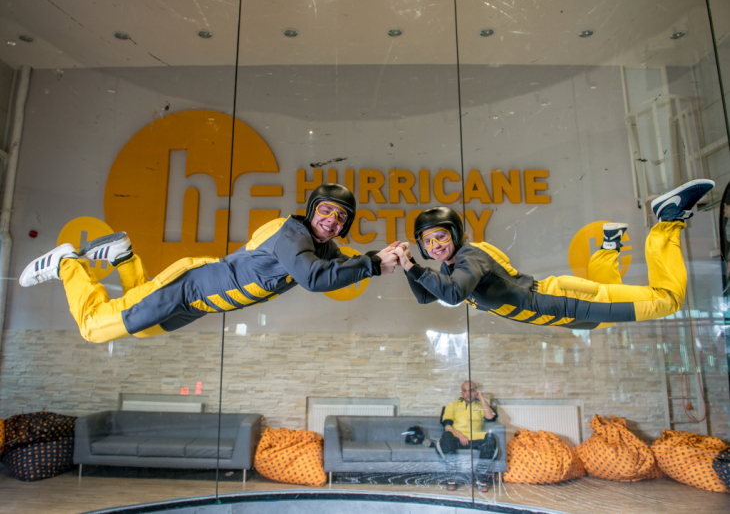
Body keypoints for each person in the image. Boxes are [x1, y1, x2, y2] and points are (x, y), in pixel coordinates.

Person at [19, 184, 400, 343]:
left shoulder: (323, 246)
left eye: (340, 218)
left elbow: (345, 269)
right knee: (94, 328)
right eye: (326, 211)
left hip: (198, 304)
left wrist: (387, 259)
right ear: (313, 210)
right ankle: (67, 262)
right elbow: (315, 279)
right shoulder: (293, 234)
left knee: (139, 327)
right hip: (191, 286)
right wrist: (370, 263)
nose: (331, 220)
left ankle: (123, 256)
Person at [393, 179, 715, 330]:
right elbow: (426, 297)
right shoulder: (450, 268)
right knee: (603, 323)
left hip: (561, 301)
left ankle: (668, 219)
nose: (435, 245)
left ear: (455, 234)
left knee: (666, 300)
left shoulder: (468, 258)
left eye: (441, 236)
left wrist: (411, 264)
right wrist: (409, 266)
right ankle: (610, 244)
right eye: (428, 241)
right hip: (558, 314)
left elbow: (451, 294)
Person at [440, 380, 499, 492]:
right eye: (465, 391)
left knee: (490, 438)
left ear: (476, 392)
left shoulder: (481, 405)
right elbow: (447, 426)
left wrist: (481, 398)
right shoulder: (452, 405)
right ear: (462, 393)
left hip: (476, 438)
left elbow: (490, 417)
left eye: (471, 391)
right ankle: (452, 478)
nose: (468, 393)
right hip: (457, 438)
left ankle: (481, 478)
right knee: (446, 435)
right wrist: (460, 434)